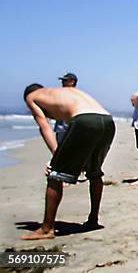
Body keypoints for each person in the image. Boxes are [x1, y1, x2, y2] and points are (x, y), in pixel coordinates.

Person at [21, 84, 115, 240]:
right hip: (108, 121)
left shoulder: (31, 97)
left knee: (55, 175)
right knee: (94, 171)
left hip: (85, 120)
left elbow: (45, 127)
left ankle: (46, 228)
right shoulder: (61, 92)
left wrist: (55, 158)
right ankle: (93, 220)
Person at [53, 73, 78, 145]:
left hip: (70, 129)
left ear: (72, 82)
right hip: (61, 128)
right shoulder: (60, 94)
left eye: (65, 81)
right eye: (62, 81)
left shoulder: (75, 95)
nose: (62, 83)